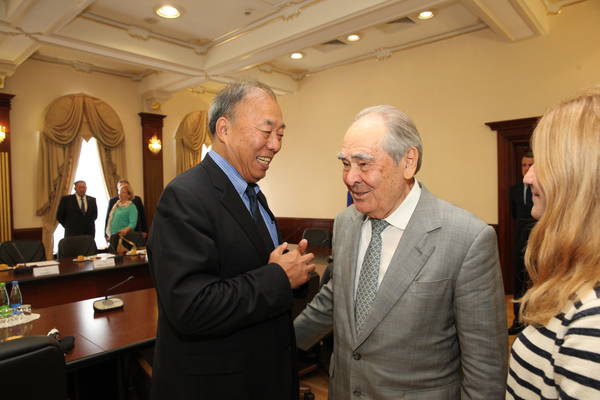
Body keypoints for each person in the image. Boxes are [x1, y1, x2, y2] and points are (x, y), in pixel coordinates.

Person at [294, 105, 507, 399]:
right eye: (345, 164)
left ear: (408, 161)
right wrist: (274, 344)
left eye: (363, 164)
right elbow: (337, 298)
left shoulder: (468, 238)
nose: (350, 178)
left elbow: (485, 369)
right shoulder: (346, 223)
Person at [147, 81, 316, 400]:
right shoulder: (185, 196)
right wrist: (279, 277)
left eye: (280, 134)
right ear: (224, 129)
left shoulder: (253, 195)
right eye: (267, 131)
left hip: (264, 375)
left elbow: (255, 269)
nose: (276, 145)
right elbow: (190, 307)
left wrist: (297, 274)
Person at [506, 90, 600, 398]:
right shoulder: (577, 281)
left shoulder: (593, 321)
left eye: (543, 162)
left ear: (579, 175)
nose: (528, 177)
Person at [508, 152, 535, 335]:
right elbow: (513, 214)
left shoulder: (542, 188)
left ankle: (533, 322)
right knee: (518, 281)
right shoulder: (515, 190)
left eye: (530, 165)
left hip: (538, 239)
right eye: (524, 165)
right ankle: (517, 321)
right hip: (519, 240)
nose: (526, 169)